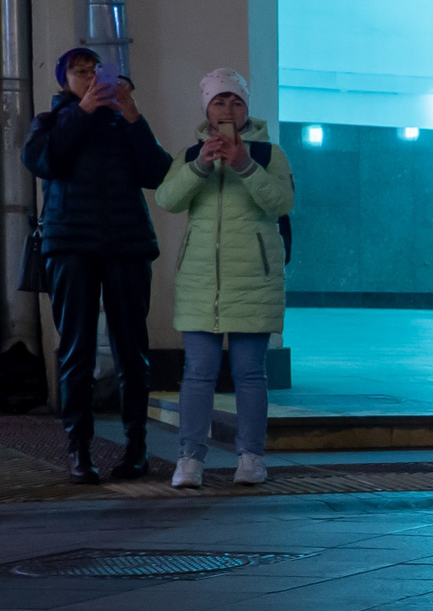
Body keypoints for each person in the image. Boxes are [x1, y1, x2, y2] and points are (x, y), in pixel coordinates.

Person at [24, 46, 171, 483]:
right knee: (77, 351)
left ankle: (137, 449)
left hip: (127, 245)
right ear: (63, 81)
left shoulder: (124, 123)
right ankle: (79, 450)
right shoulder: (51, 121)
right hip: (71, 245)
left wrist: (133, 116)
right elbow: (42, 161)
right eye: (79, 71)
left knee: (132, 351)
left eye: (96, 72)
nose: (89, 78)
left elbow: (158, 173)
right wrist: (82, 113)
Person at [154, 69, 295, 489]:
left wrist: (246, 166)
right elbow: (167, 199)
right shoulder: (191, 153)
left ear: (247, 108)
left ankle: (251, 457)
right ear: (207, 110)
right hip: (200, 281)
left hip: (254, 278)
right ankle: (189, 460)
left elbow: (282, 203)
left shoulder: (270, 154)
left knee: (250, 373)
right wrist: (199, 165)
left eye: (236, 102)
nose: (228, 109)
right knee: (198, 373)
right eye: (219, 102)